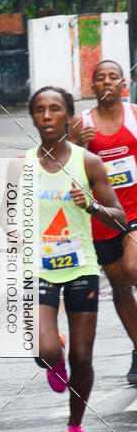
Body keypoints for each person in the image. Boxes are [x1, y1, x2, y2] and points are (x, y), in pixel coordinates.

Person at [28, 86, 125, 432]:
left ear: (69, 116)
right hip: (38, 268)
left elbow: (118, 218)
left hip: (82, 267)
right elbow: (7, 224)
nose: (48, 116)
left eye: (55, 109)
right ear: (33, 117)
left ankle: (75, 428)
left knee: (83, 358)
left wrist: (93, 205)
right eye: (40, 110)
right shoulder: (20, 167)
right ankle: (56, 354)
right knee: (44, 349)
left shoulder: (88, 163)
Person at [70, 60, 137, 384]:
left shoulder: (135, 115)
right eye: (100, 78)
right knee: (121, 287)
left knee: (134, 269)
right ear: (92, 86)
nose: (107, 81)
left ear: (123, 83)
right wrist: (78, 145)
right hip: (101, 218)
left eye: (113, 76)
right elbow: (61, 168)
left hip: (136, 212)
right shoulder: (81, 123)